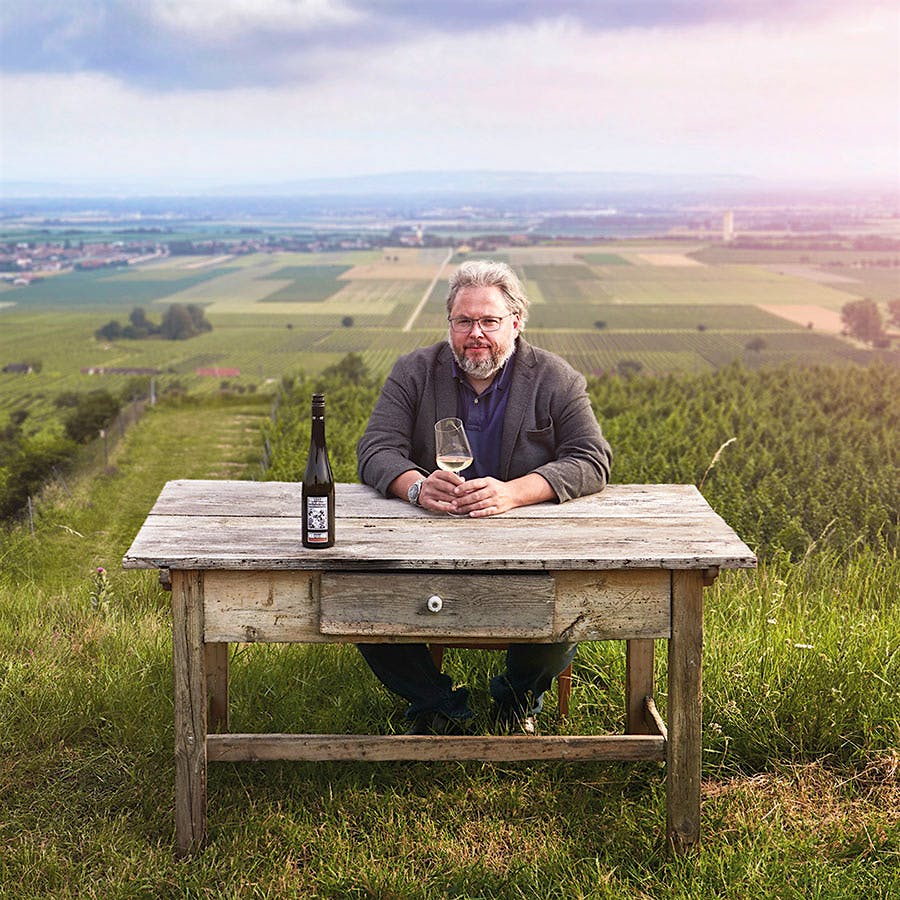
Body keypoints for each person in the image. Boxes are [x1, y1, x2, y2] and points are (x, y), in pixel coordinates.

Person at [356, 259, 612, 734]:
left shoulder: (556, 378)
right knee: (359, 597)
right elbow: (375, 449)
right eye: (464, 321)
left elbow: (591, 458)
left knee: (567, 608)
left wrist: (513, 493)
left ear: (515, 323)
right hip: (425, 545)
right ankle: (437, 705)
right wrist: (415, 486)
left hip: (525, 549)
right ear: (450, 324)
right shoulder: (414, 371)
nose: (477, 333)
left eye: (489, 321)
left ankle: (515, 702)